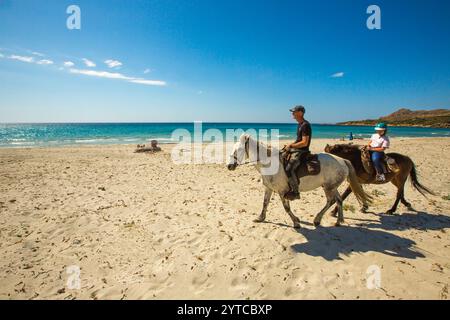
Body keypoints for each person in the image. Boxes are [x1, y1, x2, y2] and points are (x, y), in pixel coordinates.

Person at [284, 105, 312, 200]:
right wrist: (289, 145)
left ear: (300, 113)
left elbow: (304, 143)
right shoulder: (300, 124)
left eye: (294, 112)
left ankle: (296, 192)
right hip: (297, 149)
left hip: (302, 151)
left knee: (289, 169)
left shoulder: (305, 125)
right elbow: (298, 140)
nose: (292, 114)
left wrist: (291, 146)